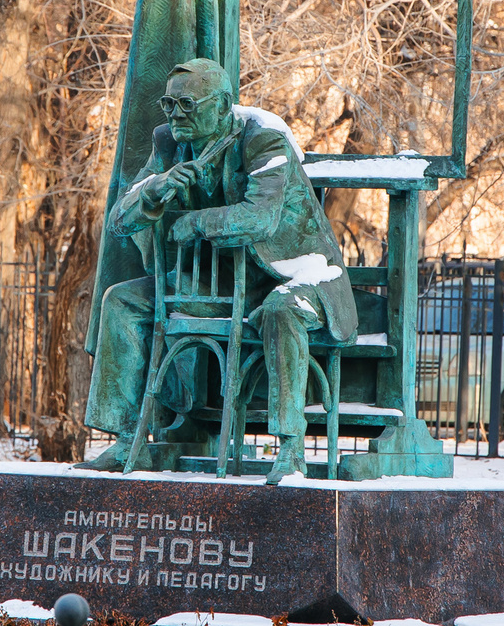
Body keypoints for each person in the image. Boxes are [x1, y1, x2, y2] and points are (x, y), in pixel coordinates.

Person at [83, 58, 358, 481]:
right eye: (169, 104)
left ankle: (290, 450)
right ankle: (126, 442)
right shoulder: (168, 143)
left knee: (280, 311)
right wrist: (155, 192)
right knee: (121, 301)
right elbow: (121, 218)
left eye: (187, 104)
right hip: (219, 285)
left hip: (299, 277)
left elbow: (259, 219)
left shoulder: (264, 141)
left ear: (223, 104)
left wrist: (191, 222)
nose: (175, 115)